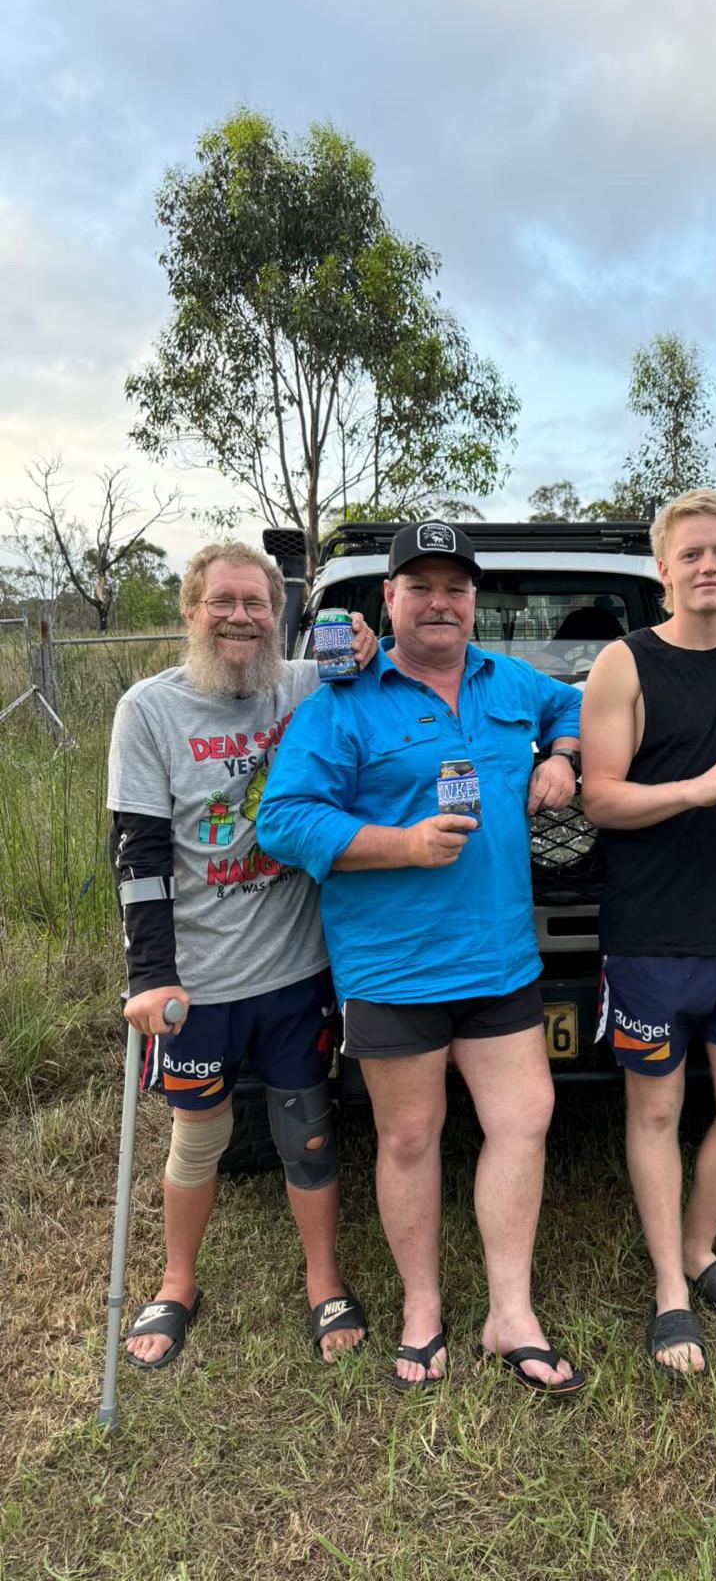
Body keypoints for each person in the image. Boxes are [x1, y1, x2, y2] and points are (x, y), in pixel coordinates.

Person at [256, 520, 587, 1398]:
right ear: (389, 600)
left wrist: (563, 752)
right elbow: (282, 820)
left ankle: (509, 1312)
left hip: (502, 958)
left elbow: (579, 704)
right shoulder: (343, 702)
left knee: (525, 1117)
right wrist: (398, 846)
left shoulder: (506, 680)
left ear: (474, 603)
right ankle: (423, 1306)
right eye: (421, 586)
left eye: (456, 588)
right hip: (393, 965)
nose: (441, 602)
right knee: (409, 1137)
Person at [108, 540, 376, 1370]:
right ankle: (177, 1281)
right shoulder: (148, 712)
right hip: (200, 982)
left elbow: (390, 669)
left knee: (306, 1130)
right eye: (221, 602)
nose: (239, 618)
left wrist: (366, 640)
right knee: (201, 1135)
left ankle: (324, 1279)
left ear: (278, 614)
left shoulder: (303, 683)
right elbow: (139, 860)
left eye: (255, 604)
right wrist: (152, 975)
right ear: (189, 613)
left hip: (297, 972)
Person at [581, 488, 716, 1377]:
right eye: (691, 555)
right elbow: (600, 797)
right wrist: (698, 787)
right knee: (657, 1108)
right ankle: (670, 1287)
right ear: (663, 571)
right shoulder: (622, 665)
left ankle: (700, 1245)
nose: (709, 567)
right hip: (652, 930)